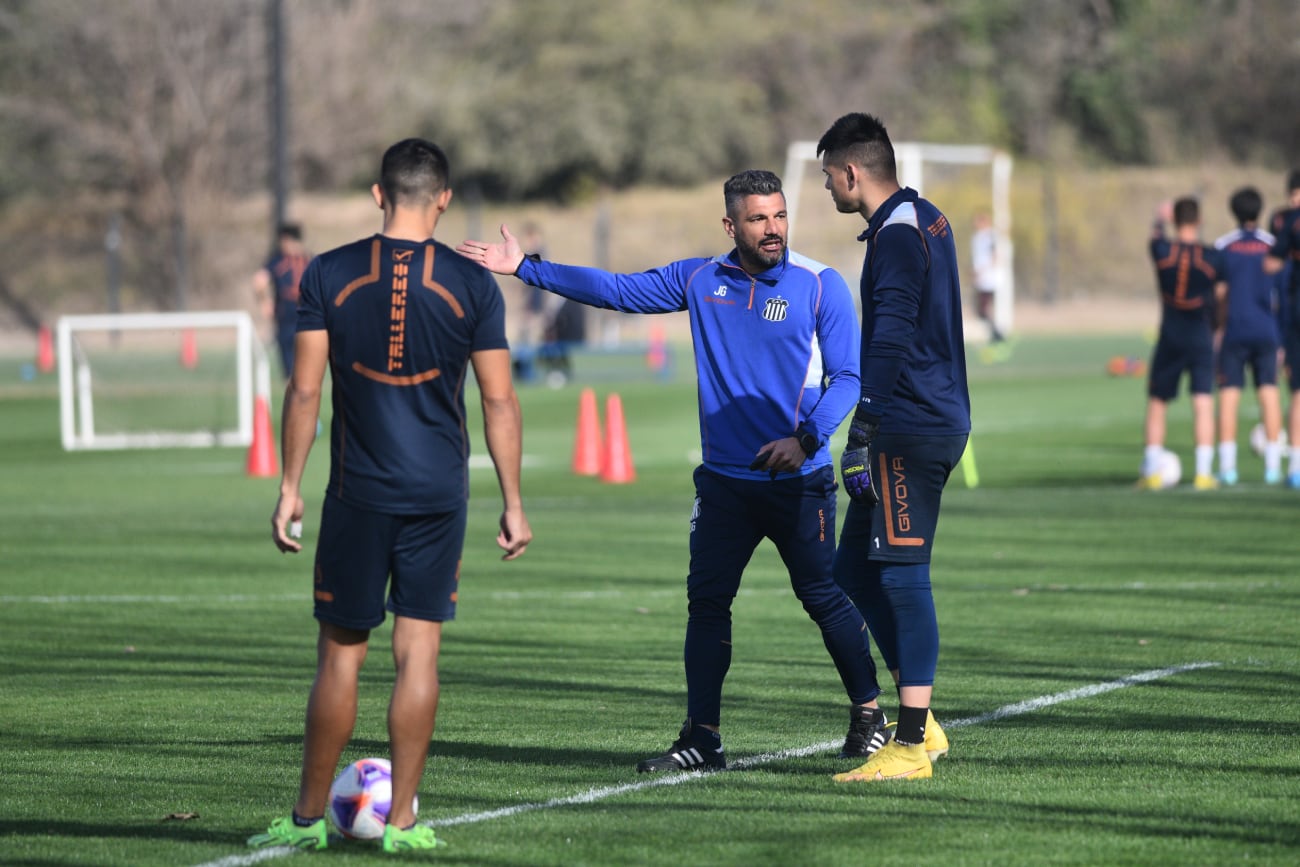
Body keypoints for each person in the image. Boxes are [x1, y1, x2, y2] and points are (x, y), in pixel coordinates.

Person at [457, 169, 894, 774]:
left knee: (821, 595)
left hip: (800, 480)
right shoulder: (698, 279)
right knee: (707, 604)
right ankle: (702, 737)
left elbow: (848, 377)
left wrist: (806, 439)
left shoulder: (821, 285)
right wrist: (527, 268)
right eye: (758, 219)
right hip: (722, 485)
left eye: (779, 216)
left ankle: (869, 716)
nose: (772, 230)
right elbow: (615, 289)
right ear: (730, 225)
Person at [248, 138, 532, 853]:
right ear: (443, 198)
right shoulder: (473, 284)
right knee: (419, 654)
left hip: (356, 491)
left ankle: (307, 820)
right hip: (439, 492)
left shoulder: (330, 271)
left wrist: (288, 487)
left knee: (341, 656)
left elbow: (305, 387)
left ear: (379, 195)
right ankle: (402, 822)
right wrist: (514, 499)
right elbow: (499, 401)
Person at [816, 112, 969, 783]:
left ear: (853, 172)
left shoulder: (901, 235)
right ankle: (924, 717)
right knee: (851, 570)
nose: (826, 189)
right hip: (915, 419)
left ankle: (910, 744)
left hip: (908, 425)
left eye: (828, 177)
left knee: (904, 575)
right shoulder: (921, 216)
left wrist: (862, 430)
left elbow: (894, 333)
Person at [1141, 197, 1225, 490]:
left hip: (1170, 334)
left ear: (1175, 221)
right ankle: (1203, 473)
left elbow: (1154, 239)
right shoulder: (1212, 257)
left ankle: (1152, 471)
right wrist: (1218, 324)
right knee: (1202, 402)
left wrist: (1158, 219)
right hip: (1201, 334)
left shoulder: (1161, 250)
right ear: (1199, 221)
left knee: (1157, 403)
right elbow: (1222, 293)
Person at [1213, 187, 1283, 485]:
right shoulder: (1274, 245)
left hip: (1235, 329)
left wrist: (1218, 328)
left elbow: (1219, 293)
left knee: (1229, 397)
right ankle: (1273, 468)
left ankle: (1227, 469)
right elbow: (1281, 295)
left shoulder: (1223, 247)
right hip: (1267, 330)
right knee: (1269, 393)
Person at [1265, 169, 1300, 488]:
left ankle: (1293, 466)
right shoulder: (1282, 220)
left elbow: (1270, 262)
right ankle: (1295, 466)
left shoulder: (1288, 224)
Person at [253, 223, 313, 378]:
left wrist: (265, 302)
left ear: (285, 239)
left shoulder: (278, 261)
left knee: (290, 368)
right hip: (309, 314)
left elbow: (259, 281)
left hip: (287, 313)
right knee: (307, 364)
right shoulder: (311, 260)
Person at [969, 211, 1005, 343]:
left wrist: (983, 270)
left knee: (983, 308)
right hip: (981, 278)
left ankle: (997, 335)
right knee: (979, 309)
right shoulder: (977, 237)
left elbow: (995, 255)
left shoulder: (990, 236)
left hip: (989, 278)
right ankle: (995, 333)